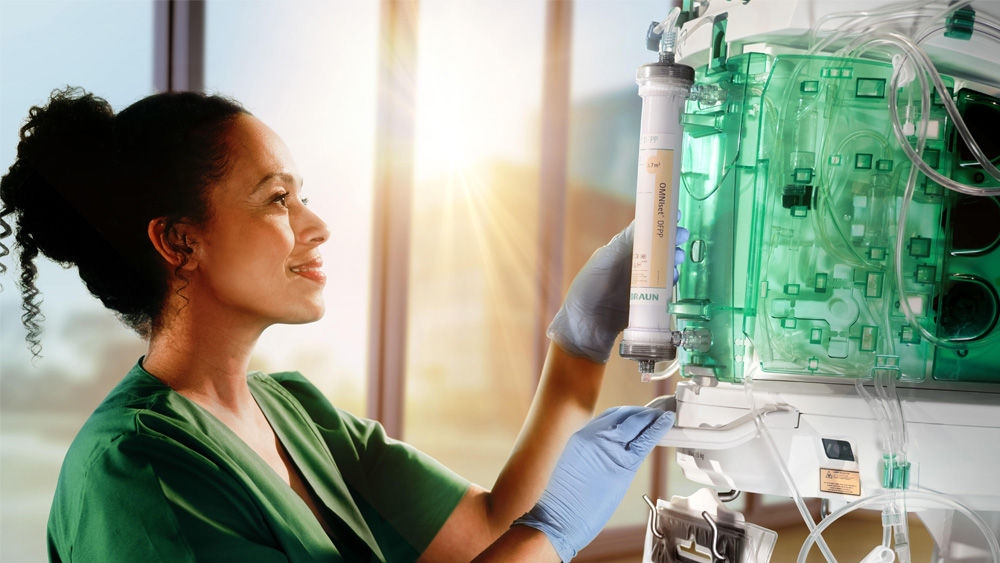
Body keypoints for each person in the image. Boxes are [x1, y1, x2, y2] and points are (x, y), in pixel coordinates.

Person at [0, 87, 677, 562]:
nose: (317, 225)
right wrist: (554, 533)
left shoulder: (295, 412)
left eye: (304, 196)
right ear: (181, 242)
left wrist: (580, 345)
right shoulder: (136, 474)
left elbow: (489, 531)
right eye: (278, 199)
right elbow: (524, 539)